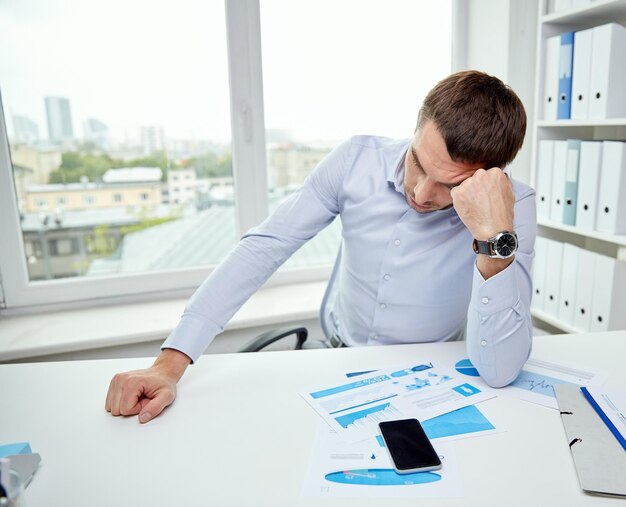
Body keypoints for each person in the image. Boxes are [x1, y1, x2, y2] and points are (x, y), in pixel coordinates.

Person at [105, 70, 536, 424]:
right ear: (415, 130)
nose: (422, 193)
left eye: (451, 186)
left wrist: (493, 236)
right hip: (333, 357)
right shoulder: (355, 161)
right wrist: (169, 363)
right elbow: (265, 248)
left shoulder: (515, 208)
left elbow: (499, 369)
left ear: (490, 177)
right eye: (418, 163)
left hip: (430, 376)